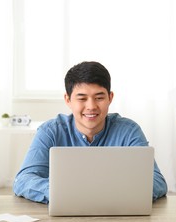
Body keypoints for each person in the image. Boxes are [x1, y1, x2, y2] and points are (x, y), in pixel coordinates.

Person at [13, 61, 167, 203]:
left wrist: (97, 193)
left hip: (117, 215)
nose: (91, 106)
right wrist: (66, 192)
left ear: (110, 98)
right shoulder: (50, 131)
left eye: (99, 98)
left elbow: (157, 182)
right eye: (82, 98)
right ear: (68, 100)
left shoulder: (129, 131)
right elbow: (23, 180)